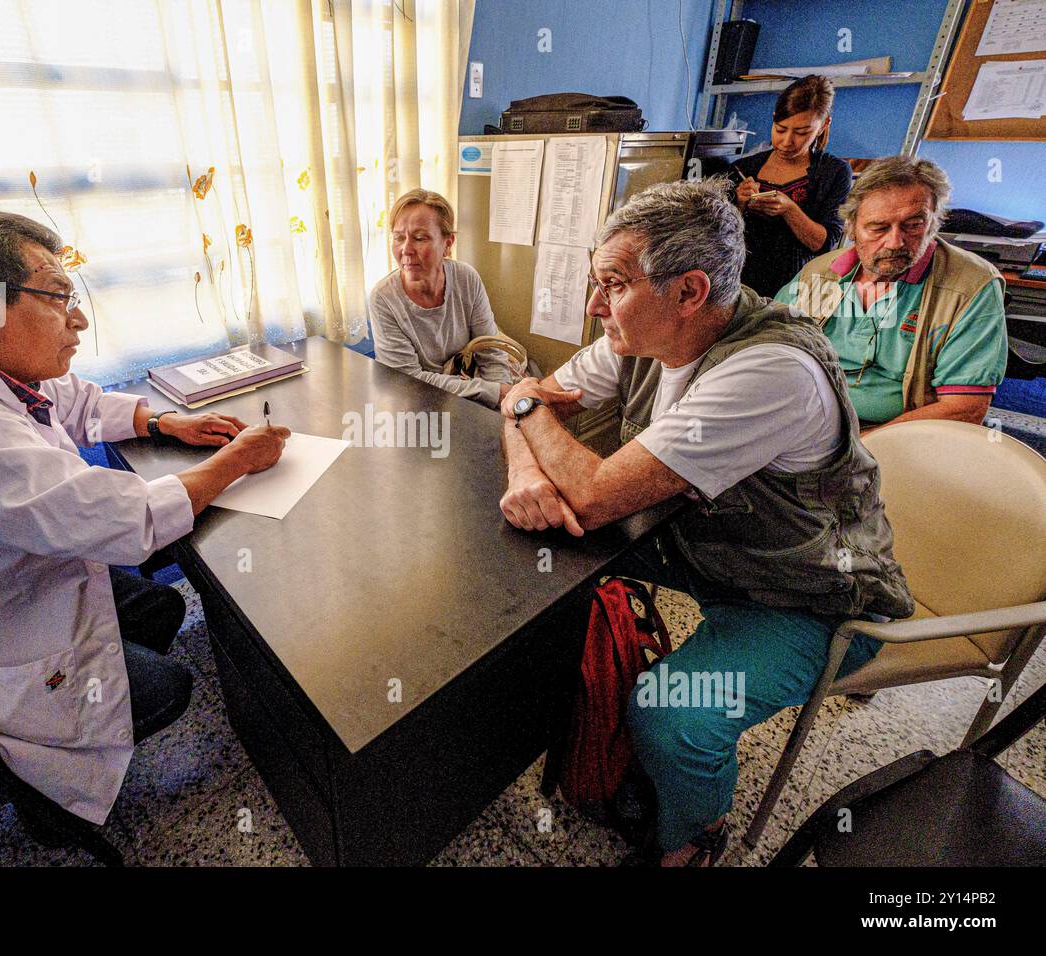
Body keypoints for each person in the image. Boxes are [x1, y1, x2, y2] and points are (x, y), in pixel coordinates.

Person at [0, 209, 290, 825]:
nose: (79, 318)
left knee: (161, 607)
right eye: (58, 296)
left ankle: (107, 685)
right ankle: (53, 810)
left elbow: (68, 398)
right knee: (169, 685)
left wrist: (161, 421)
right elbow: (123, 521)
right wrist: (234, 461)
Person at [498, 179, 912, 866]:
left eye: (613, 284)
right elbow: (530, 394)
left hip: (808, 599)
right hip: (706, 550)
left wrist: (522, 408)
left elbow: (594, 488)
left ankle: (697, 833)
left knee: (669, 714)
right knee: (532, 563)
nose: (595, 305)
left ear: (689, 292)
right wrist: (523, 465)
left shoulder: (770, 372)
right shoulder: (644, 332)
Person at [775, 156, 1007, 431]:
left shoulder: (971, 287)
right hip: (805, 421)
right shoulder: (820, 274)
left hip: (896, 435)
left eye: (913, 225)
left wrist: (860, 447)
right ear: (851, 227)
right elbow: (769, 345)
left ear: (933, 222)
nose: (895, 242)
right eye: (878, 227)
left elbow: (964, 409)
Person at [369, 188, 517, 408]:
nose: (406, 249)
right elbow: (409, 379)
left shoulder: (466, 278)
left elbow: (490, 351)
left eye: (420, 238)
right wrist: (493, 392)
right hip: (418, 403)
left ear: (448, 243)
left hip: (471, 392)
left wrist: (505, 402)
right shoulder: (383, 299)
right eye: (399, 238)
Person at [729, 75, 853, 297]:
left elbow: (825, 245)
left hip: (793, 290)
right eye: (780, 128)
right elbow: (719, 235)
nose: (786, 141)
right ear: (774, 118)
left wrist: (789, 209)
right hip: (737, 283)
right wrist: (739, 203)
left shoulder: (834, 173)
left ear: (824, 125)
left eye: (801, 132)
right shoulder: (744, 168)